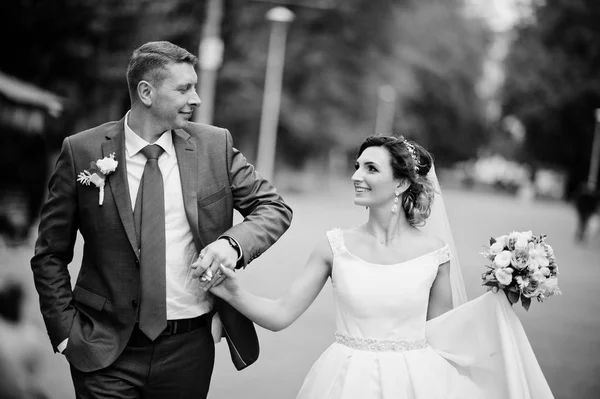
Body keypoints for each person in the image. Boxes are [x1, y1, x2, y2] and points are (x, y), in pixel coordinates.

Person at [30, 41, 292, 399]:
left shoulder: (214, 146)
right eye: (184, 88)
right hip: (103, 347)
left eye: (195, 87)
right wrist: (65, 333)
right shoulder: (83, 152)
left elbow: (273, 207)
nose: (196, 98)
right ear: (146, 92)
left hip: (188, 349)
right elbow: (49, 254)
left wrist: (232, 244)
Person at [208, 135, 555, 398]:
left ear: (401, 183)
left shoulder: (435, 254)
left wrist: (501, 297)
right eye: (357, 166)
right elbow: (280, 315)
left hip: (415, 382)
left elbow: (443, 333)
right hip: (344, 380)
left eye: (371, 168)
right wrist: (232, 290)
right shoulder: (334, 246)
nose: (357, 175)